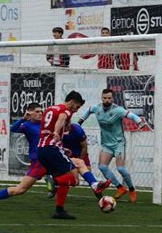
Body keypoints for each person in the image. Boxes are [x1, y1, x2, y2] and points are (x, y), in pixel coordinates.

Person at [0, 102, 109, 212]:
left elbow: (52, 141)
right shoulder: (27, 125)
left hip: (51, 157)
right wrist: (23, 118)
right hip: (39, 161)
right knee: (20, 190)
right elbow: (13, 129)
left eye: (40, 111)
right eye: (36, 111)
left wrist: (63, 149)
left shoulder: (46, 124)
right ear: (29, 113)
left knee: (77, 166)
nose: (40, 113)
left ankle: (63, 201)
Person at [38, 91, 110, 219]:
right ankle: (54, 182)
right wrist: (56, 132)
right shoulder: (66, 110)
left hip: (42, 149)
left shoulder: (50, 109)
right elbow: (61, 118)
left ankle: (59, 210)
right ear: (71, 102)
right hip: (52, 148)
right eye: (76, 107)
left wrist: (62, 147)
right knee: (74, 179)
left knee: (77, 166)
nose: (76, 111)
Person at [78, 88, 146, 203]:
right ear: (102, 98)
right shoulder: (97, 108)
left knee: (121, 169)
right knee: (102, 166)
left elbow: (131, 115)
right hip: (106, 144)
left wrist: (139, 122)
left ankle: (132, 190)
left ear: (113, 99)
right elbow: (89, 110)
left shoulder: (118, 110)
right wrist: (80, 122)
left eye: (109, 98)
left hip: (119, 144)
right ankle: (120, 188)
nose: (107, 100)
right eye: (105, 98)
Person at [46, 122, 92, 198]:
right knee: (72, 179)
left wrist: (80, 159)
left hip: (80, 153)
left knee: (88, 173)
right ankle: (54, 186)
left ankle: (99, 194)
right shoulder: (56, 131)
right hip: (66, 154)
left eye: (68, 124)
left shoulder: (77, 130)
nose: (67, 127)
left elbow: (84, 147)